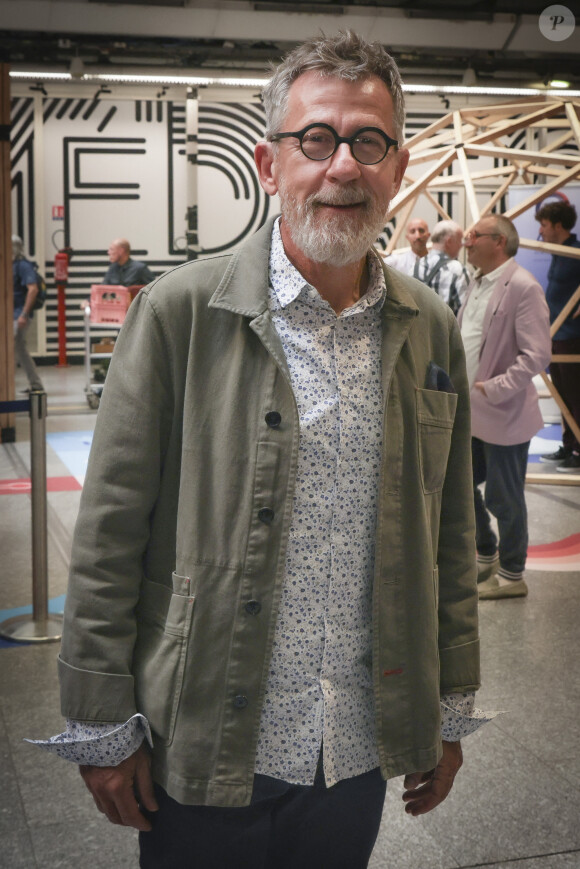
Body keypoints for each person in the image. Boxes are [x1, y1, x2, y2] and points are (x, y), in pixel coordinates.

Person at [35, 32, 486, 869]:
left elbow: (449, 538)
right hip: (207, 735)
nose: (343, 165)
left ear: (398, 165)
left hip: (357, 744)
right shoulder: (179, 313)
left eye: (369, 141)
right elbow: (107, 539)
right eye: (316, 138)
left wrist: (446, 707)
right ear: (270, 164)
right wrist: (101, 720)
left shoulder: (428, 326)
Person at [459, 216, 551, 600]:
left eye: (474, 235)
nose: (466, 240)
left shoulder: (524, 287)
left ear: (498, 241)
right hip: (472, 412)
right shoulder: (478, 281)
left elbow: (537, 355)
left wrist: (495, 387)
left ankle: (513, 574)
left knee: (504, 496)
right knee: (462, 486)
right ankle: (486, 551)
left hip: (504, 413)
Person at [536, 201, 580, 472]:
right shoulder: (559, 251)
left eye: (544, 224)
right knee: (562, 393)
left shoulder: (575, 251)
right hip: (554, 334)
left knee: (576, 394)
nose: (541, 230)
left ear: (558, 225)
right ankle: (568, 444)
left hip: (573, 336)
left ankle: (578, 449)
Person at [387, 219, 468, 314]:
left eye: (421, 230)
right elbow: (466, 313)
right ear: (449, 241)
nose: (461, 245)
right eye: (459, 241)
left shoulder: (414, 268)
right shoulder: (457, 270)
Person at [12, 235, 45, 393]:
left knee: (15, 348)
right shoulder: (10, 265)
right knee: (18, 348)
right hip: (12, 314)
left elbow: (33, 289)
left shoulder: (23, 266)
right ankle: (35, 383)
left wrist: (24, 314)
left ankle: (34, 384)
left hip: (19, 315)